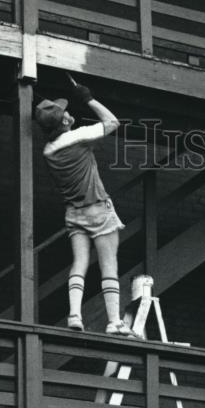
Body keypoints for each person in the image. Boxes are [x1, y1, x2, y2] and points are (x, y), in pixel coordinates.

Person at [35, 84, 141, 338]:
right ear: (62, 123)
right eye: (65, 114)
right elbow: (112, 122)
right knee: (108, 266)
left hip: (74, 213)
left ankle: (74, 315)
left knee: (79, 264)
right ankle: (114, 321)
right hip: (97, 210)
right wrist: (89, 98)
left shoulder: (48, 151)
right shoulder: (77, 137)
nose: (69, 114)